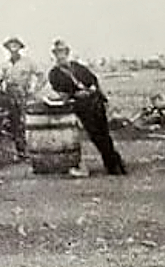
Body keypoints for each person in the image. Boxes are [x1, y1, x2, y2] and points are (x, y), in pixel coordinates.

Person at [47, 39, 127, 176]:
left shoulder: (77, 67)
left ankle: (114, 162)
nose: (61, 55)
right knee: (95, 135)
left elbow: (93, 79)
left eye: (63, 52)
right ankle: (113, 164)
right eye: (58, 53)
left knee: (105, 133)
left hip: (95, 101)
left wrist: (94, 89)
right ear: (54, 55)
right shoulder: (54, 73)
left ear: (67, 53)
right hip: (81, 106)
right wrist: (75, 94)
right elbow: (60, 91)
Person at [0, 37, 43, 154]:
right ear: (8, 49)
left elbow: (41, 75)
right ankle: (17, 150)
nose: (13, 47)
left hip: (23, 95)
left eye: (15, 45)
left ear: (19, 47)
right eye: (10, 45)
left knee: (25, 122)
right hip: (9, 96)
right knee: (12, 122)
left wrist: (34, 89)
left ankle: (30, 149)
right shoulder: (4, 65)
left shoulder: (28, 62)